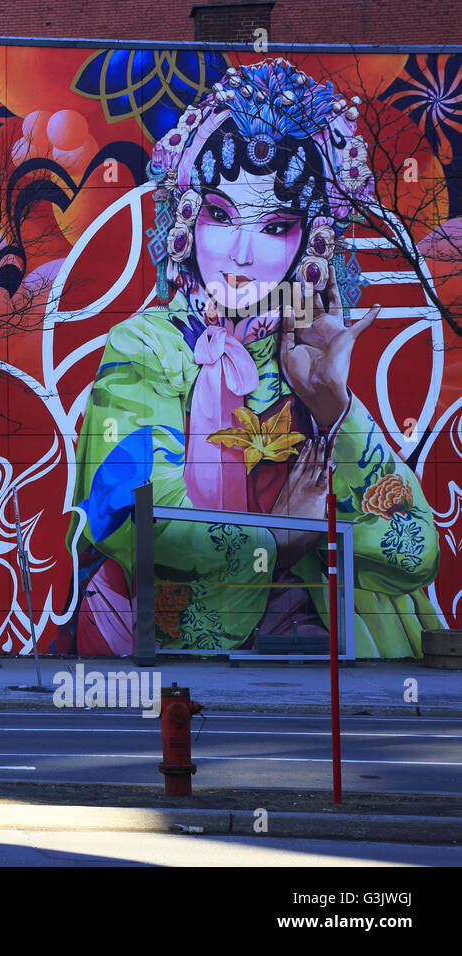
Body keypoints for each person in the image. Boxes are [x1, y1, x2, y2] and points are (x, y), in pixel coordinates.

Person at [72, 58, 438, 657]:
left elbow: (412, 549)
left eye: (274, 227)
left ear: (312, 243)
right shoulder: (146, 346)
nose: (240, 252)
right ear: (187, 220)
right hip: (169, 658)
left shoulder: (303, 356)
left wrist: (334, 409)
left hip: (320, 678)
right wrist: (287, 536)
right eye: (221, 215)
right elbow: (132, 517)